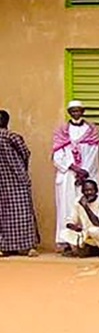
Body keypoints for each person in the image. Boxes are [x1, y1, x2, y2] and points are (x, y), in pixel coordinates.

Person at [52, 100, 99, 250]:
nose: (76, 113)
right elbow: (57, 156)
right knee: (67, 208)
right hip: (68, 176)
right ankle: (67, 242)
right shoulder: (62, 131)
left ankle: (89, 242)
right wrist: (74, 168)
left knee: (87, 207)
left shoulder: (91, 130)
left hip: (87, 175)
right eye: (73, 111)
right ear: (69, 113)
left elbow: (93, 153)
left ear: (83, 111)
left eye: (78, 110)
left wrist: (83, 172)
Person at [0, 110, 39, 257]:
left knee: (3, 214)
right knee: (22, 213)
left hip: (2, 182)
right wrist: (21, 168)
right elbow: (25, 153)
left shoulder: (11, 137)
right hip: (17, 180)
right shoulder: (13, 136)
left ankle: (5, 246)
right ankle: (27, 246)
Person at [60, 179, 99, 256]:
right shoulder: (78, 201)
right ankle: (90, 249)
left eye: (91, 190)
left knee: (93, 230)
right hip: (85, 232)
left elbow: (98, 224)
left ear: (96, 190)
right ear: (82, 192)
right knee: (64, 233)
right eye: (86, 190)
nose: (89, 193)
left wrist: (86, 207)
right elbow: (71, 220)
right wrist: (74, 227)